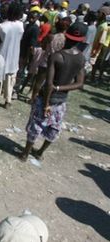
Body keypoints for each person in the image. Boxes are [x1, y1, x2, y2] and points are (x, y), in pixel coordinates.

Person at [19, 22, 87, 162]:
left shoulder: (57, 56)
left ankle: (25, 153)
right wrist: (61, 89)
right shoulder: (81, 58)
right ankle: (40, 152)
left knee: (35, 127)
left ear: (65, 36)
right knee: (54, 128)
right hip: (62, 101)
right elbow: (80, 83)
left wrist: (46, 103)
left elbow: (49, 84)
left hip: (47, 98)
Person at [0, 2, 24, 109]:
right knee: (10, 80)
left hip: (2, 53)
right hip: (14, 53)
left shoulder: (2, 26)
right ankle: (8, 100)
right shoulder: (21, 26)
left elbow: (0, 40)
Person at [90, 6, 110, 84]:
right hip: (106, 45)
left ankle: (93, 77)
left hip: (101, 46)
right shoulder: (106, 24)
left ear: (103, 14)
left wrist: (95, 49)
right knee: (102, 63)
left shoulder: (103, 26)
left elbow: (100, 39)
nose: (97, 14)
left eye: (99, 13)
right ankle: (99, 77)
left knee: (96, 62)